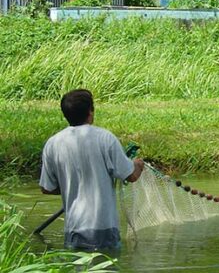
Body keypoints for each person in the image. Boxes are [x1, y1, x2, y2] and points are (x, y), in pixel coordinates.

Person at [40, 89, 144, 250]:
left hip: (73, 231)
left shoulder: (53, 143)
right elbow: (131, 176)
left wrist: (73, 187)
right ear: (90, 111)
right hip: (105, 230)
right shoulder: (105, 138)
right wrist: (138, 164)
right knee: (106, 272)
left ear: (65, 114)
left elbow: (47, 188)